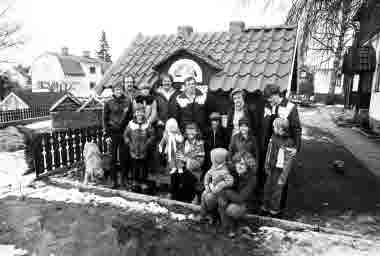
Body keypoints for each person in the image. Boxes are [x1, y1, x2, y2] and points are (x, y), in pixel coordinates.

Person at [262, 83, 302, 213]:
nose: (268, 100)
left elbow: (296, 128)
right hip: (272, 143)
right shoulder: (269, 106)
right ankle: (267, 205)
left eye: (270, 98)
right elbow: (267, 125)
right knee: (269, 179)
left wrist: (296, 146)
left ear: (276, 95)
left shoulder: (290, 107)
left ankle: (278, 207)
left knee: (281, 181)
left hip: (285, 145)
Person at [262, 117, 297, 217]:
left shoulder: (289, 142)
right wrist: (266, 164)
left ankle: (274, 210)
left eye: (274, 127)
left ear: (281, 129)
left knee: (277, 191)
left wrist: (283, 176)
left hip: (280, 170)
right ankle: (265, 206)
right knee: (267, 187)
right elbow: (269, 152)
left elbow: (288, 161)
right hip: (272, 167)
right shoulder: (273, 137)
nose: (273, 128)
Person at [217, 151, 257, 233]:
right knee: (219, 199)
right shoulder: (233, 172)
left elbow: (241, 198)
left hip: (246, 204)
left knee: (231, 209)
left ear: (248, 165)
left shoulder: (252, 178)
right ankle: (227, 226)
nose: (239, 166)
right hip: (232, 198)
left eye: (242, 164)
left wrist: (226, 193)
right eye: (237, 163)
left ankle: (238, 223)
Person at [103, 81, 133, 188]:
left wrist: (130, 133)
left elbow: (130, 118)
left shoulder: (127, 102)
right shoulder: (108, 103)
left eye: (120, 89)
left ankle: (124, 180)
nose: (118, 91)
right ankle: (113, 180)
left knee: (124, 157)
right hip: (112, 133)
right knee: (113, 158)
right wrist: (106, 135)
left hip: (124, 133)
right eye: (116, 90)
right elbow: (105, 120)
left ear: (122, 90)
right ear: (113, 91)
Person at [172, 122, 205, 203]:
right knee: (174, 174)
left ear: (197, 132)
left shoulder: (200, 144)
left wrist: (186, 160)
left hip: (194, 172)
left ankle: (187, 200)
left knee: (185, 177)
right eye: (188, 130)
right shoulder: (182, 142)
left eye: (193, 130)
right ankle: (174, 198)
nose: (190, 132)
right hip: (181, 168)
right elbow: (177, 156)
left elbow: (200, 162)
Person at [201, 148, 234, 223]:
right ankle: (203, 214)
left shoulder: (224, 171)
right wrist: (206, 185)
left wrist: (221, 185)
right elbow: (207, 175)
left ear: (217, 159)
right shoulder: (214, 167)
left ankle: (214, 215)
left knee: (209, 198)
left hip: (221, 194)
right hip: (212, 189)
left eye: (212, 158)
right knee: (204, 194)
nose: (211, 160)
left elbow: (230, 181)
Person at [123, 105, 155, 183]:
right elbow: (125, 135)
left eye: (141, 113)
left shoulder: (147, 124)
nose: (139, 115)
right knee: (134, 167)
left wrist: (147, 144)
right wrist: (129, 143)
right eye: (138, 112)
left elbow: (152, 136)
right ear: (135, 114)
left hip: (144, 150)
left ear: (144, 114)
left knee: (144, 167)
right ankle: (135, 182)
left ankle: (143, 183)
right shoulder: (131, 124)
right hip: (133, 149)